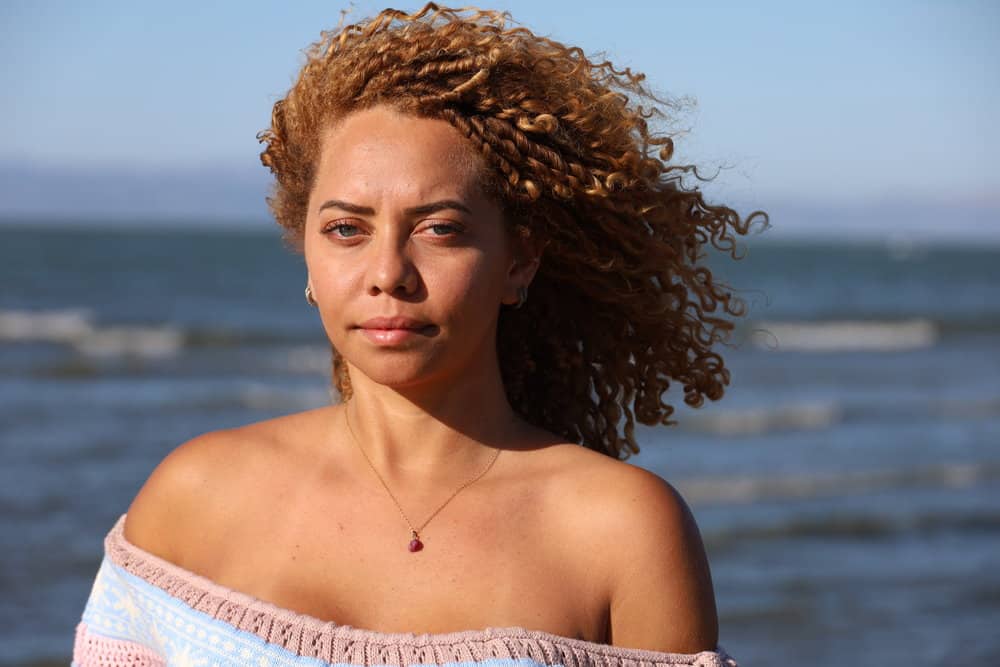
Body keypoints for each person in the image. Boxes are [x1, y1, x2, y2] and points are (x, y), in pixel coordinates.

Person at [73, 4, 764, 665]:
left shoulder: (624, 532)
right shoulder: (192, 495)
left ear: (519, 260)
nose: (388, 272)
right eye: (347, 229)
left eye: (440, 228)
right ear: (306, 254)